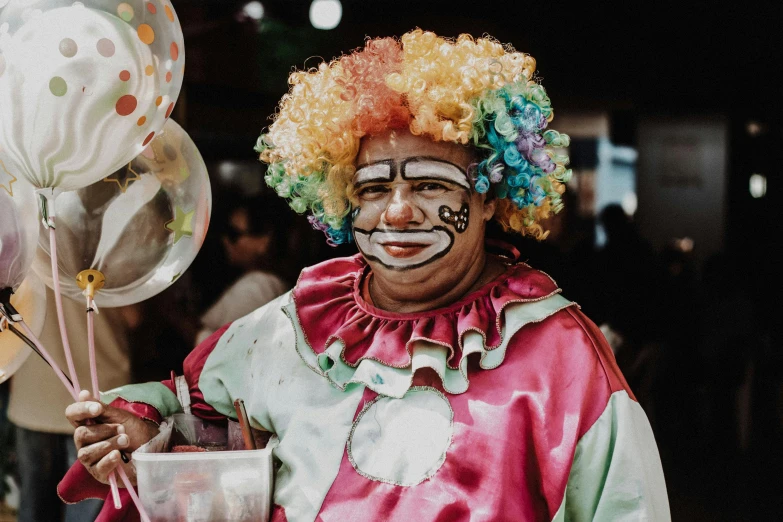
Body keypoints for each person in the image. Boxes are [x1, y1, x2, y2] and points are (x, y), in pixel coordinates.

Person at [59, 30, 670, 521]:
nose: (398, 211)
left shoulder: (561, 357)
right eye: (374, 187)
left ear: (490, 197)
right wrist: (140, 432)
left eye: (431, 184)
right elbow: (192, 410)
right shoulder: (294, 324)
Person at [8, 286, 132, 522]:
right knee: (88, 511)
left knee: (34, 508)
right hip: (99, 396)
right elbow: (132, 316)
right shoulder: (109, 250)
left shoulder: (22, 252)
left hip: (33, 393)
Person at [196, 194, 290, 344]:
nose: (225, 240)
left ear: (264, 240)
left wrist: (169, 311)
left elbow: (218, 349)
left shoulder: (258, 287)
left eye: (234, 234)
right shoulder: (261, 282)